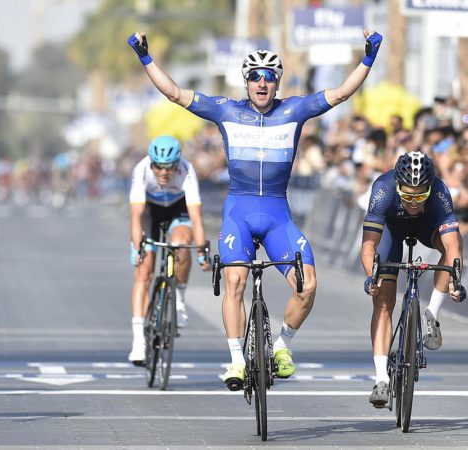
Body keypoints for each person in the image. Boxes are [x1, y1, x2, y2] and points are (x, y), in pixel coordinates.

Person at [128, 29, 383, 389]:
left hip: (278, 215)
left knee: (308, 286)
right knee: (235, 280)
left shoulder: (294, 110)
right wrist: (145, 57)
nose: (262, 82)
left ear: (277, 82)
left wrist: (368, 57)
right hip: (240, 213)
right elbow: (174, 93)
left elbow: (341, 93)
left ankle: (281, 346)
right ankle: (235, 360)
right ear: (245, 81)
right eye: (255, 76)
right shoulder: (226, 111)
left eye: (269, 76)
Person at [361, 151, 465, 408]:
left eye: (420, 196)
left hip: (426, 227)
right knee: (383, 301)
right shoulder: (383, 189)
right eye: (408, 196)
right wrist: (372, 276)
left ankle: (431, 314)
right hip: (392, 231)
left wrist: (455, 280)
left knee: (453, 245)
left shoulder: (439, 191)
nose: (414, 202)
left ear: (430, 188)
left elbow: (453, 247)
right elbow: (369, 246)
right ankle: (381, 379)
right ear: (398, 186)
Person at [128, 135, 210, 365]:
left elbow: (196, 218)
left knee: (182, 244)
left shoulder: (187, 171)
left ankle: (179, 300)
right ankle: (138, 341)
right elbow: (135, 216)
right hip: (150, 212)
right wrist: (137, 248)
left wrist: (202, 252)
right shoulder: (141, 170)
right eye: (159, 167)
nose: (164, 173)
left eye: (170, 168)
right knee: (143, 272)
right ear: (151, 164)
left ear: (177, 164)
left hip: (178, 209)